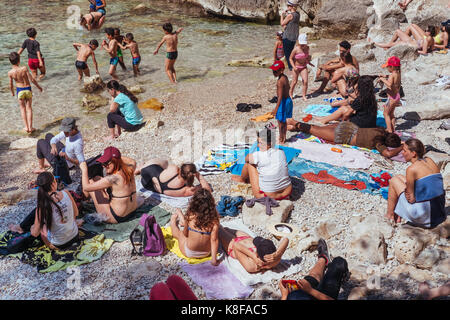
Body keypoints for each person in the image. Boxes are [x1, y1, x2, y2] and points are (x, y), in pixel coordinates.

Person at [9, 172, 82, 250]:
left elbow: (35, 234)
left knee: (41, 227)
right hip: (75, 236)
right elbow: (76, 213)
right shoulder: (67, 193)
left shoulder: (42, 207)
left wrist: (33, 228)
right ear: (53, 184)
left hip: (59, 244)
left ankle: (50, 245)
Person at [386, 139, 446, 227]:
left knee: (394, 180)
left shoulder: (411, 169)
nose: (402, 153)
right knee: (400, 177)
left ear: (413, 153)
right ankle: (396, 214)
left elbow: (411, 199)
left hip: (426, 217)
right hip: (439, 212)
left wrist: (406, 192)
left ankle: (390, 215)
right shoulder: (430, 160)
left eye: (404, 150)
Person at [80, 146, 142, 224]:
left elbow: (86, 187)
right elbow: (132, 160)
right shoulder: (130, 168)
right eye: (103, 163)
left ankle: (85, 200)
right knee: (98, 178)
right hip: (132, 211)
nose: (104, 166)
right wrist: (116, 156)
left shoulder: (113, 178)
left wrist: (84, 170)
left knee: (91, 181)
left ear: (115, 161)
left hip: (116, 217)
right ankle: (87, 199)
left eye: (106, 163)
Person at [287, 119, 404, 159]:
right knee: (313, 129)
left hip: (348, 127)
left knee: (317, 129)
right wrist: (402, 146)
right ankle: (293, 122)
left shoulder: (380, 131)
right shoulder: (379, 143)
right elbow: (387, 154)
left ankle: (295, 128)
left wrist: (402, 141)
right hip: (343, 135)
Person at [232, 128, 293, 200]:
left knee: (250, 164)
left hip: (268, 196)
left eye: (260, 143)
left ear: (269, 144)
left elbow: (246, 158)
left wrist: (253, 156)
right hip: (288, 192)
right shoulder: (281, 152)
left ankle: (242, 179)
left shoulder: (259, 155)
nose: (257, 145)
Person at [279, 239, 349, 300]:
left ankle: (324, 258)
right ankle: (341, 275)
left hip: (304, 295)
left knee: (313, 277)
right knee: (339, 262)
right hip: (324, 296)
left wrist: (284, 296)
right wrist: (310, 290)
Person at [170, 188, 220, 265]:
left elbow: (185, 234)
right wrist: (214, 260)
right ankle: (181, 216)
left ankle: (173, 220)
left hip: (189, 252)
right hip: (206, 253)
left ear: (194, 202)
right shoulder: (214, 219)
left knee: (179, 235)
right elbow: (214, 240)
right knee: (188, 227)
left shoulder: (191, 215)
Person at [219, 225, 289, 273]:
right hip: (246, 239)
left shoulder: (251, 266)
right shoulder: (275, 259)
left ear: (257, 253)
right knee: (226, 229)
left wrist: (253, 256)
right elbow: (286, 239)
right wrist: (278, 253)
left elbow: (236, 245)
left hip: (233, 245)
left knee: (218, 229)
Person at [8, 52, 43, 134]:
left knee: (22, 109)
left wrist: (12, 92)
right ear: (19, 61)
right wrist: (38, 87)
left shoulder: (10, 73)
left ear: (10, 62)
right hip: (27, 89)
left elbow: (10, 85)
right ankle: (31, 127)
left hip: (19, 90)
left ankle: (26, 127)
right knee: (29, 108)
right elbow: (32, 80)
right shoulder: (24, 68)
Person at [135, 160, 212, 197]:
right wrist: (198, 175)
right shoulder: (186, 190)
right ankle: (141, 168)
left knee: (164, 162)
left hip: (146, 178)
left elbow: (164, 166)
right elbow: (207, 189)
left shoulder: (173, 168)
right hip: (150, 187)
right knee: (162, 166)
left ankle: (140, 168)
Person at [377, 56, 402, 133]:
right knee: (391, 114)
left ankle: (389, 130)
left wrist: (382, 79)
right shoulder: (398, 73)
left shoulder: (392, 75)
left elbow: (390, 85)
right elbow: (393, 80)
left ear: (392, 67)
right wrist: (386, 76)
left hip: (391, 98)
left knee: (385, 113)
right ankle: (393, 128)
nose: (387, 69)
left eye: (387, 67)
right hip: (397, 96)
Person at [270, 60, 292, 144]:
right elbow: (289, 87)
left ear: (282, 70)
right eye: (273, 71)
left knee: (280, 122)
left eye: (275, 71)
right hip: (288, 100)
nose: (274, 73)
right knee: (284, 121)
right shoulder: (285, 77)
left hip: (283, 102)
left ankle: (281, 138)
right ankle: (284, 137)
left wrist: (276, 109)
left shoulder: (279, 81)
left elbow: (279, 97)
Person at [289, 33, 314, 101]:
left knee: (305, 81)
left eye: (304, 44)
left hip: (303, 67)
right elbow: (290, 58)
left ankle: (304, 95)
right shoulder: (296, 49)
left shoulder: (307, 48)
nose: (303, 45)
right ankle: (290, 94)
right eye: (301, 44)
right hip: (296, 67)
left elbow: (306, 57)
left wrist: (309, 63)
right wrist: (294, 67)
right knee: (294, 82)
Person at [280, 1, 300, 74]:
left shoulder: (290, 16)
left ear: (291, 6)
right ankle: (294, 66)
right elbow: (290, 24)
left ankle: (291, 69)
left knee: (288, 55)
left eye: (288, 6)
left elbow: (282, 24)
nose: (287, 7)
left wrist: (282, 15)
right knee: (292, 53)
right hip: (294, 36)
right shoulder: (298, 14)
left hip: (287, 37)